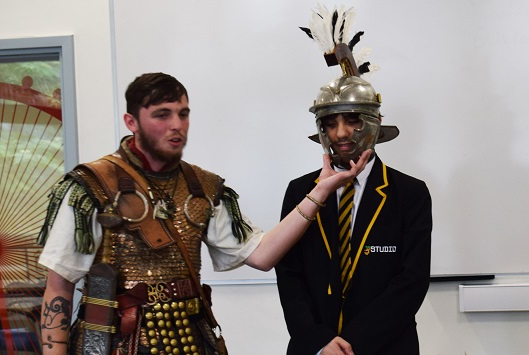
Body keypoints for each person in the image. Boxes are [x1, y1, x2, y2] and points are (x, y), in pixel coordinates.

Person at [36, 72, 369, 355]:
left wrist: (321, 190)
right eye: (162, 114)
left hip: (190, 340)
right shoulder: (92, 187)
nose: (177, 125)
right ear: (131, 121)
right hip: (117, 342)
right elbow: (60, 287)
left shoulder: (204, 187)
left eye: (183, 114)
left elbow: (263, 255)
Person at [276, 7, 432, 355]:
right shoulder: (301, 191)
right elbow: (289, 276)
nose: (341, 132)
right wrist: (319, 341)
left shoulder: (409, 193)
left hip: (386, 347)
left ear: (373, 124)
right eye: (331, 123)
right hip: (314, 349)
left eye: (351, 120)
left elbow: (411, 281)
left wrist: (352, 344)